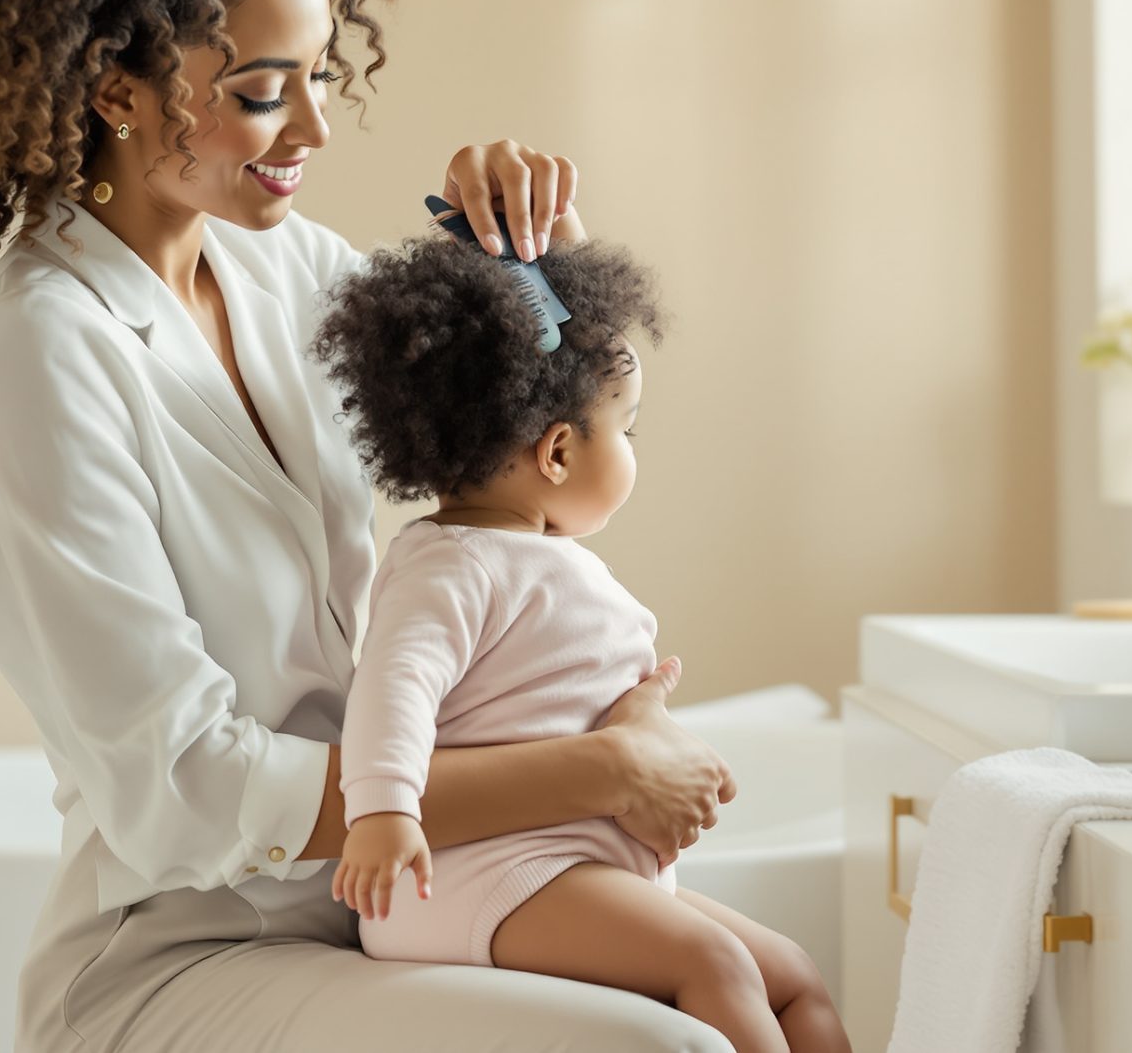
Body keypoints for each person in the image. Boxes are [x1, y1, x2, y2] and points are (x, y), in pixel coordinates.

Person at [0, 0, 739, 1053]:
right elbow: (189, 788)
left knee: (736, 986)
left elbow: (526, 434)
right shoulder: (42, 355)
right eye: (260, 89)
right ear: (115, 88)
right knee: (660, 1044)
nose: (312, 125)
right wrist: (600, 769)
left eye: (317, 75)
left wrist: (535, 249)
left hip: (383, 911)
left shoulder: (289, 270)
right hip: (184, 959)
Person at [313, 236, 848, 1053]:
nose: (632, 450)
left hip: (563, 866)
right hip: (466, 875)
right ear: (557, 451)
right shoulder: (446, 565)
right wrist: (383, 813)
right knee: (715, 963)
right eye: (626, 428)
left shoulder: (535, 553)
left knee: (794, 976)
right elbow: (394, 689)